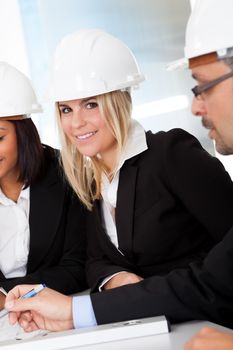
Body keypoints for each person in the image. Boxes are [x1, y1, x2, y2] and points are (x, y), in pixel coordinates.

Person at [5, 19, 233, 334]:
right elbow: (95, 260)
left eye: (90, 104)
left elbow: (228, 253)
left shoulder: (171, 153)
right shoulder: (92, 180)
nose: (77, 123)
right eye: (66, 110)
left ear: (118, 101)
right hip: (152, 327)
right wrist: (116, 278)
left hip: (212, 325)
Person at [0, 61, 87, 309]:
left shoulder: (67, 173)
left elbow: (77, 266)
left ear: (24, 133)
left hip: (61, 311)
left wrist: (7, 295)